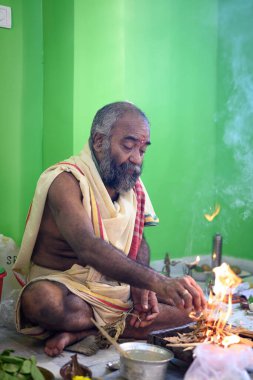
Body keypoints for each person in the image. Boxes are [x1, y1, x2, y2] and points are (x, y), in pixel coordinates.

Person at [13, 101, 206, 357]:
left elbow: (140, 243)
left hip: (115, 290)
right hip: (69, 290)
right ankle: (110, 327)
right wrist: (158, 281)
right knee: (40, 302)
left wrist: (143, 287)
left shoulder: (132, 184)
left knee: (192, 307)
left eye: (142, 150)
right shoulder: (65, 180)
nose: (136, 159)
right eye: (128, 146)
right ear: (99, 141)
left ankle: (87, 331)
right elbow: (88, 247)